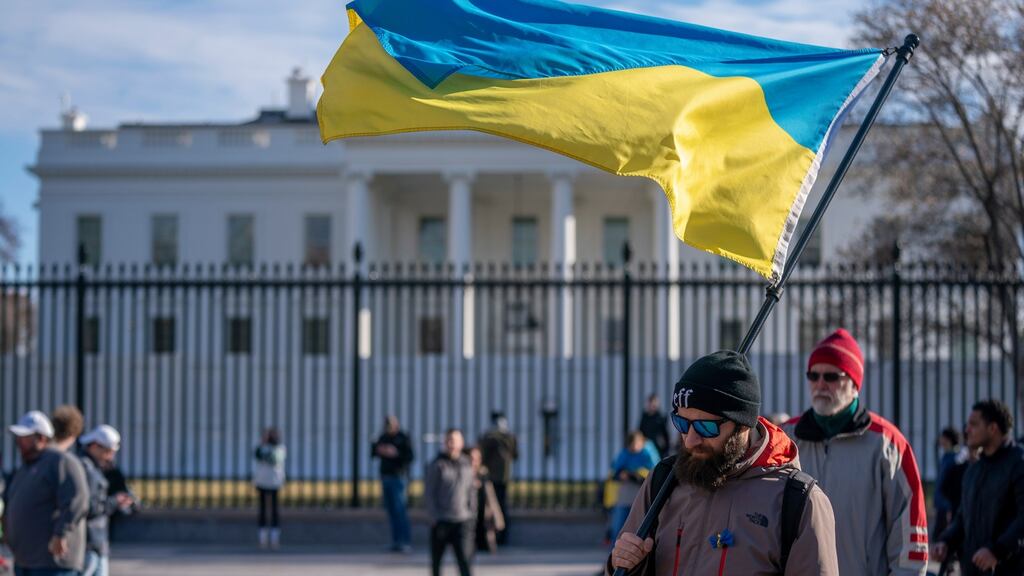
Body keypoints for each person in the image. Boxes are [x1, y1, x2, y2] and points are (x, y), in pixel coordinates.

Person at [608, 351, 839, 575]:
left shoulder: (798, 501)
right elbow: (622, 566)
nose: (690, 440)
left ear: (743, 426)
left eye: (705, 427)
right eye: (681, 423)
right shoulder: (663, 480)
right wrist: (624, 564)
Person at [782, 329, 929, 576]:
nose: (820, 384)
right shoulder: (786, 438)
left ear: (854, 384)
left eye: (831, 376)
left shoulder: (888, 443)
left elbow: (909, 526)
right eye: (813, 375)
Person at [932, 400, 1024, 576]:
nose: (967, 430)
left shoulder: (1018, 463)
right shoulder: (974, 470)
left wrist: (997, 551)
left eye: (974, 424)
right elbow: (962, 517)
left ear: (993, 428)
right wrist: (946, 542)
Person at [3, 410, 89, 576]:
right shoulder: (26, 467)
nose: (19, 442)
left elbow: (77, 500)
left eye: (25, 437)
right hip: (26, 562)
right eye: (18, 437)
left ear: (41, 438)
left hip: (52, 565)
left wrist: (61, 534)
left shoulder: (61, 461)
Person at [78, 425, 132, 576]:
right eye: (108, 451)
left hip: (97, 542)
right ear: (95, 446)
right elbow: (90, 506)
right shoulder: (87, 469)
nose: (111, 456)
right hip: (89, 543)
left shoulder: (95, 467)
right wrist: (115, 501)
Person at [426, 429, 476, 576]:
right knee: (436, 563)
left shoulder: (466, 464)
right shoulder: (437, 464)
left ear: (461, 443)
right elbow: (429, 493)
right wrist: (434, 516)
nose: (451, 444)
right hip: (441, 520)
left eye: (455, 441)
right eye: (449, 440)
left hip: (462, 520)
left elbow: (471, 490)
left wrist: (472, 513)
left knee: (465, 562)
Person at [371, 415, 414, 552]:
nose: (388, 427)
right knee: (391, 511)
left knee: (400, 511)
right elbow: (373, 453)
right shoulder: (383, 437)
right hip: (386, 477)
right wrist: (377, 447)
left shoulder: (403, 437)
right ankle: (396, 541)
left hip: (398, 478)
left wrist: (395, 453)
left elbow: (410, 456)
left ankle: (405, 541)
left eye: (390, 424)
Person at [607, 431, 659, 543]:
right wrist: (622, 474)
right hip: (625, 495)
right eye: (632, 445)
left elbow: (655, 471)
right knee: (618, 527)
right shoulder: (625, 453)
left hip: (642, 495)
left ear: (641, 443)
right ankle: (614, 554)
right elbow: (616, 472)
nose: (634, 448)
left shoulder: (647, 453)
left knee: (641, 529)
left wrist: (638, 475)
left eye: (636, 445)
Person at [478, 412, 517, 545]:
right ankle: (491, 536)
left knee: (500, 506)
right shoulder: (490, 437)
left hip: (501, 477)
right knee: (491, 507)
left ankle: (501, 536)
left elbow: (515, 454)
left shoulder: (507, 437)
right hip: (492, 477)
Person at [252, 428, 285, 550]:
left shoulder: (280, 448)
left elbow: (275, 459)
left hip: (275, 482)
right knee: (262, 510)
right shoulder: (261, 448)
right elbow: (258, 455)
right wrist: (263, 445)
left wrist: (269, 449)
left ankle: (274, 539)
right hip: (262, 481)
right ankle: (262, 538)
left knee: (274, 510)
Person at [468, 446, 504, 555]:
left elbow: (491, 498)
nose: (475, 462)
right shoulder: (462, 474)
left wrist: (498, 518)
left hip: (483, 516)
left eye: (477, 458)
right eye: (472, 459)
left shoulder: (483, 474)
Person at [933, 426, 964, 539]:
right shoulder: (947, 457)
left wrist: (949, 506)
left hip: (947, 504)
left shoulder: (955, 459)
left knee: (942, 537)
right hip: (942, 503)